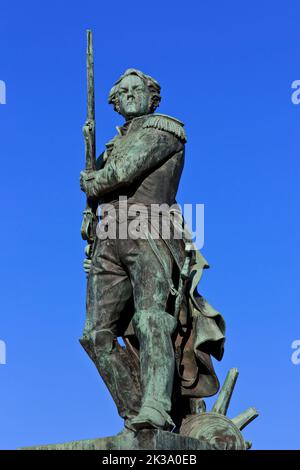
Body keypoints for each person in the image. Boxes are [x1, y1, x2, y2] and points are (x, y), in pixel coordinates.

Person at [80, 69, 225, 432]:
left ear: (152, 97)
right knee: (95, 335)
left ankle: (156, 408)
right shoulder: (112, 146)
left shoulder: (164, 130)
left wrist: (91, 178)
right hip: (109, 238)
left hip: (150, 231)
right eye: (122, 92)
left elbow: (122, 174)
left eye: (136, 89)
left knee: (151, 319)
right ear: (114, 102)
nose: (129, 96)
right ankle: (135, 412)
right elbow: (103, 186)